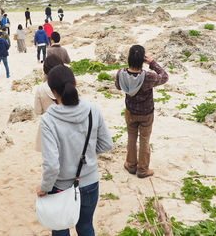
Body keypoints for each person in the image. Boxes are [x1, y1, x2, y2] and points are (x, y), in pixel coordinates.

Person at [36, 65, 113, 236]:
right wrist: (88, 155)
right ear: (75, 82)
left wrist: (44, 186)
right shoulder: (93, 110)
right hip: (90, 183)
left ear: (52, 91)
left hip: (61, 187)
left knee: (60, 229)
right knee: (86, 228)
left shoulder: (49, 120)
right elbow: (107, 144)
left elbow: (52, 165)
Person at [115, 45, 169, 178]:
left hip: (130, 112)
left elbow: (118, 86)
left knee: (131, 138)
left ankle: (131, 165)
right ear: (142, 59)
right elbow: (165, 76)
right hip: (146, 113)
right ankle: (143, 169)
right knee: (144, 140)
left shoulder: (121, 73)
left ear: (129, 58)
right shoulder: (148, 76)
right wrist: (152, 63)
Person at [33, 54, 65, 151]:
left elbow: (37, 111)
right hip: (66, 123)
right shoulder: (68, 84)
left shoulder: (41, 88)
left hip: (48, 126)